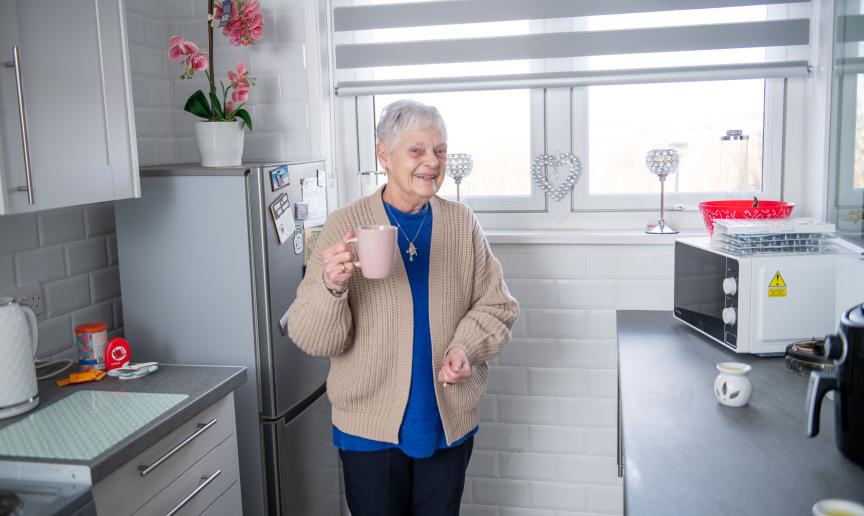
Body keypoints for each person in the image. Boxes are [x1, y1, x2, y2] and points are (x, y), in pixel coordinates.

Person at [287, 99, 519, 516]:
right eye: (417, 150)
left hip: (445, 422)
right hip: (367, 430)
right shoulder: (345, 224)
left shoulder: (461, 223)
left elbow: (497, 305)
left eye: (440, 150)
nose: (432, 161)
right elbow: (309, 335)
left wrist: (464, 348)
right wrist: (330, 285)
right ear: (383, 154)